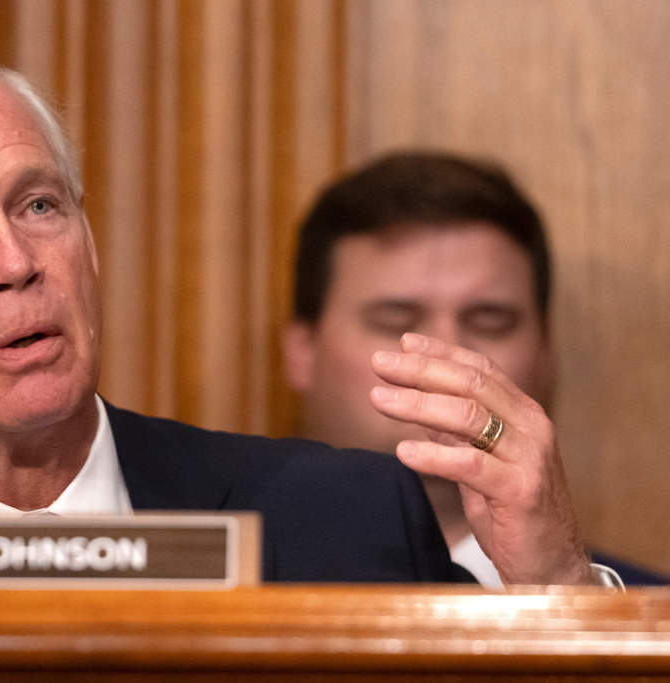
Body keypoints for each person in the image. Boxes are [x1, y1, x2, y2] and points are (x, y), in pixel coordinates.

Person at [0, 39, 594, 587]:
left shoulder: (339, 520)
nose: (14, 264)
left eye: (38, 206)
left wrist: (555, 592)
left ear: (88, 245)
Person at [283, 151, 667, 585]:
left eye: (491, 321)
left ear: (545, 354)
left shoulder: (655, 624)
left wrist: (566, 590)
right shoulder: (215, 601)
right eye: (394, 321)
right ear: (302, 352)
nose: (446, 351)